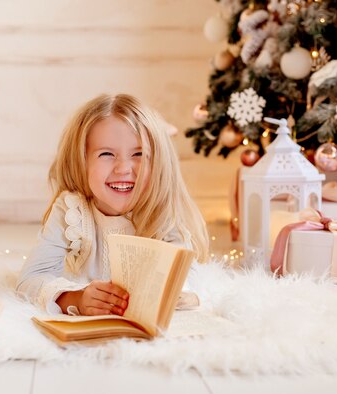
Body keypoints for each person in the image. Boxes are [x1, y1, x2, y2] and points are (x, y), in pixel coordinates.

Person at [16, 93, 209, 315]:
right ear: (81, 160)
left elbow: (190, 282)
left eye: (139, 154)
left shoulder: (163, 211)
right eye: (107, 154)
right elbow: (29, 280)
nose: (123, 168)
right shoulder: (72, 211)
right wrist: (76, 298)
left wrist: (167, 292)